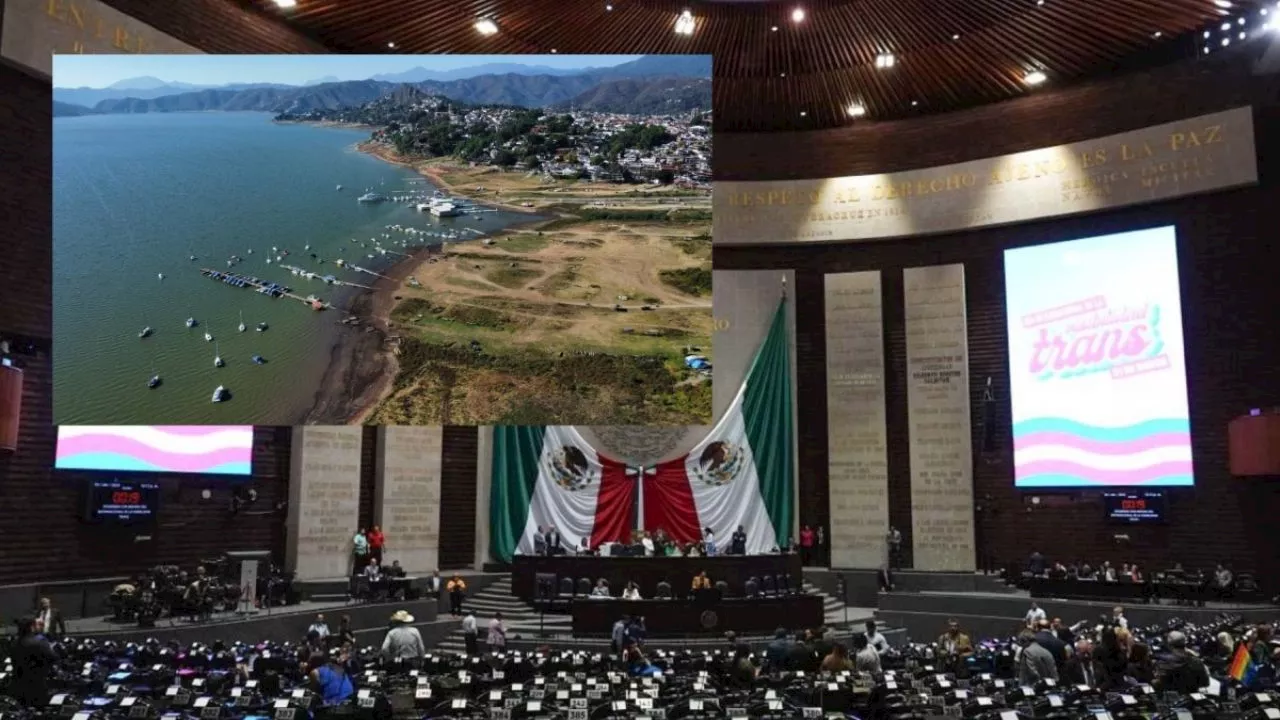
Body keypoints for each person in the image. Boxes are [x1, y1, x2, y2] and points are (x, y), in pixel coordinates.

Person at [10, 617, 56, 706]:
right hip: (36, 685)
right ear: (32, 626)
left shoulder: (14, 643)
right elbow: (53, 657)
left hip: (18, 685)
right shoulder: (39, 641)